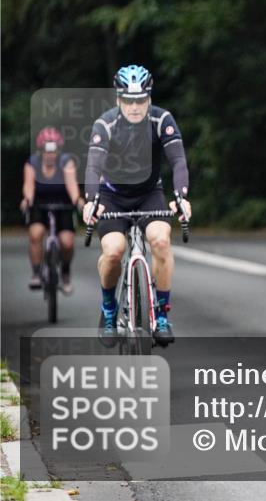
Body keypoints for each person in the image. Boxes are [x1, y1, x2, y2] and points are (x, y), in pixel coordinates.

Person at [82, 65, 192, 347]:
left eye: (140, 100)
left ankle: (162, 314)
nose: (134, 106)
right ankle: (108, 311)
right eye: (128, 101)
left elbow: (178, 161)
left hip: (148, 194)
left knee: (161, 241)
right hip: (111, 195)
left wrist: (181, 196)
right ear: (119, 99)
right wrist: (91, 201)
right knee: (114, 251)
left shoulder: (161, 119)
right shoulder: (105, 124)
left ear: (149, 98)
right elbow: (93, 167)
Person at [21, 128, 83, 294]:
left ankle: (65, 272)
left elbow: (72, 185)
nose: (50, 155)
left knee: (67, 242)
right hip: (40, 205)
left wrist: (77, 201)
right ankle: (35, 272)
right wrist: (27, 200)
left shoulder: (66, 162)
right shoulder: (32, 163)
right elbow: (28, 186)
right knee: (35, 234)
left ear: (58, 150)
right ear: (41, 151)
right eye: (47, 151)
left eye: (53, 151)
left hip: (63, 205)